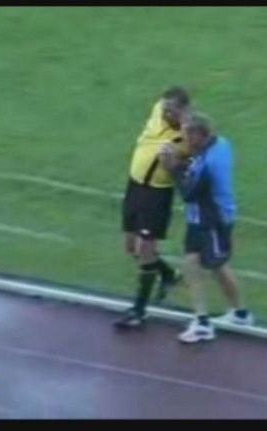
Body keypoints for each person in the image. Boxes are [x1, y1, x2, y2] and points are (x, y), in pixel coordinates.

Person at [159, 113, 254, 343]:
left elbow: (189, 192)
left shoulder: (207, 165)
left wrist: (173, 166)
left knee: (205, 265)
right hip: (212, 216)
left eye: (188, 136)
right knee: (206, 264)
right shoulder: (222, 145)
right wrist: (183, 161)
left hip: (209, 220)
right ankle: (239, 314)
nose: (185, 140)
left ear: (199, 136)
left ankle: (203, 324)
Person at [114, 86, 190, 329]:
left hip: (157, 195)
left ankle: (139, 311)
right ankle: (168, 275)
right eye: (165, 108)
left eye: (172, 110)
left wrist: (174, 162)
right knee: (131, 247)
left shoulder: (187, 139)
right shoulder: (158, 110)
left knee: (145, 249)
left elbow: (188, 172)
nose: (166, 113)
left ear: (183, 111)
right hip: (135, 186)